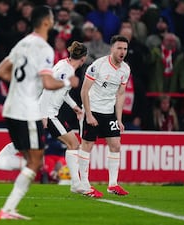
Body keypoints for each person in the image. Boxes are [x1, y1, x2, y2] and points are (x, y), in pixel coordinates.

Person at [0, 5, 79, 220]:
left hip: (12, 107)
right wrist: (68, 81)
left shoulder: (22, 43)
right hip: (27, 109)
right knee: (34, 162)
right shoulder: (44, 49)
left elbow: (0, 71)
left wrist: (24, 83)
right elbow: (47, 82)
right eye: (52, 18)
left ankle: (6, 205)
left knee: (29, 158)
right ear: (46, 22)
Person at [40, 41, 103, 196]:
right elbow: (47, 90)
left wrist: (74, 106)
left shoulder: (65, 65)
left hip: (52, 112)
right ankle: (76, 184)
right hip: (49, 113)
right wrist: (43, 115)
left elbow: (62, 91)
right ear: (83, 59)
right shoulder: (65, 69)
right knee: (73, 143)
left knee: (22, 143)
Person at [79, 35, 130, 196]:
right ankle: (85, 185)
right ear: (112, 49)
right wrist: (88, 115)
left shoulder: (125, 69)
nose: (122, 52)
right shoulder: (98, 66)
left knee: (116, 145)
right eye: (119, 48)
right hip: (92, 109)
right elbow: (84, 91)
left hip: (109, 112)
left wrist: (119, 119)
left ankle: (113, 184)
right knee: (87, 145)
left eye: (125, 49)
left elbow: (121, 94)